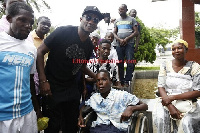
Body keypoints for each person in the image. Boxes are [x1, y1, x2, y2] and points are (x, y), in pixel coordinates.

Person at [36, 6, 104, 133]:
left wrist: (96, 77)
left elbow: (82, 66)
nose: (91, 22)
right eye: (88, 18)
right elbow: (40, 51)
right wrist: (43, 81)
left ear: (96, 26)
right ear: (81, 19)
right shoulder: (63, 32)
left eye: (95, 20)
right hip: (52, 87)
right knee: (53, 126)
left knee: (71, 125)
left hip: (71, 88)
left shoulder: (89, 45)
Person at [0, 2, 37, 132]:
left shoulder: (32, 49)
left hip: (27, 114)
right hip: (3, 118)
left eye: (31, 22)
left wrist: (37, 109)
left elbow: (30, 80)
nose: (28, 25)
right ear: (9, 18)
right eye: (22, 20)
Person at [153, 39, 200, 133]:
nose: (176, 51)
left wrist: (173, 97)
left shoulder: (194, 66)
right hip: (166, 101)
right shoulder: (165, 65)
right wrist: (169, 105)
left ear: (186, 50)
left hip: (188, 102)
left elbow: (197, 91)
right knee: (161, 118)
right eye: (173, 49)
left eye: (179, 48)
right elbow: (161, 86)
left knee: (186, 123)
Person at [78, 69, 148, 133]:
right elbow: (83, 105)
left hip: (119, 128)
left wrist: (131, 108)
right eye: (98, 80)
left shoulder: (122, 95)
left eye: (104, 79)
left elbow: (145, 106)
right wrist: (80, 117)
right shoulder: (94, 97)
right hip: (99, 128)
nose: (100, 83)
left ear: (110, 81)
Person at [113, 4, 139, 87]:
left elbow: (136, 32)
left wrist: (127, 39)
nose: (120, 11)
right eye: (119, 9)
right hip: (119, 44)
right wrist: (120, 40)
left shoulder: (132, 19)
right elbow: (114, 32)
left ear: (126, 10)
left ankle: (128, 80)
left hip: (129, 44)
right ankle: (121, 80)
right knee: (120, 62)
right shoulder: (117, 21)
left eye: (122, 9)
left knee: (130, 62)